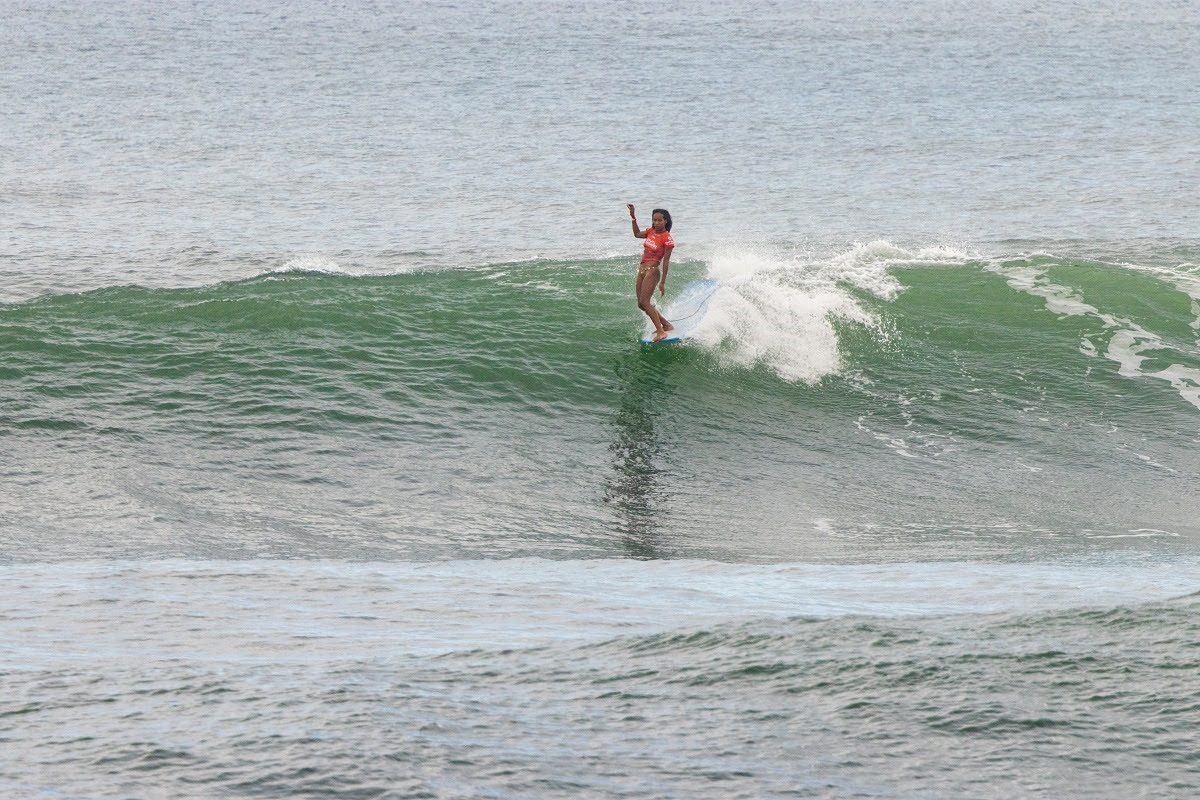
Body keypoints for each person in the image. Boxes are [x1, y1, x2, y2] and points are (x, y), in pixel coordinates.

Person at [626, 204, 675, 341]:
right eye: (654, 220)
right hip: (642, 270)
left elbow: (666, 262)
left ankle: (661, 331)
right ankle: (666, 324)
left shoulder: (667, 239)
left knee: (645, 302)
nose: (656, 223)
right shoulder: (650, 231)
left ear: (665, 221)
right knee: (641, 304)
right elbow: (636, 234)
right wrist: (633, 217)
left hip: (653, 271)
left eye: (659, 220)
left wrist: (663, 282)